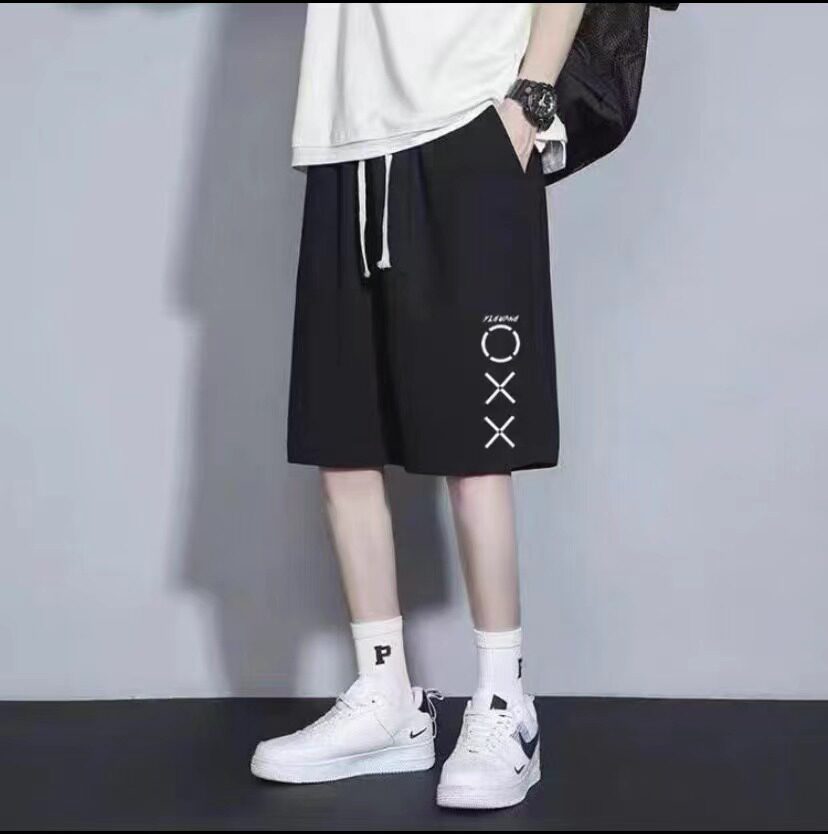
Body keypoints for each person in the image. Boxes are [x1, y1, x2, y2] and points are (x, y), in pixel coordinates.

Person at [251, 2, 586, 810]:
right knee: (342, 435)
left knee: (476, 448)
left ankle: (506, 704)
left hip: (469, 118)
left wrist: (530, 99)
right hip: (344, 131)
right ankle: (387, 700)